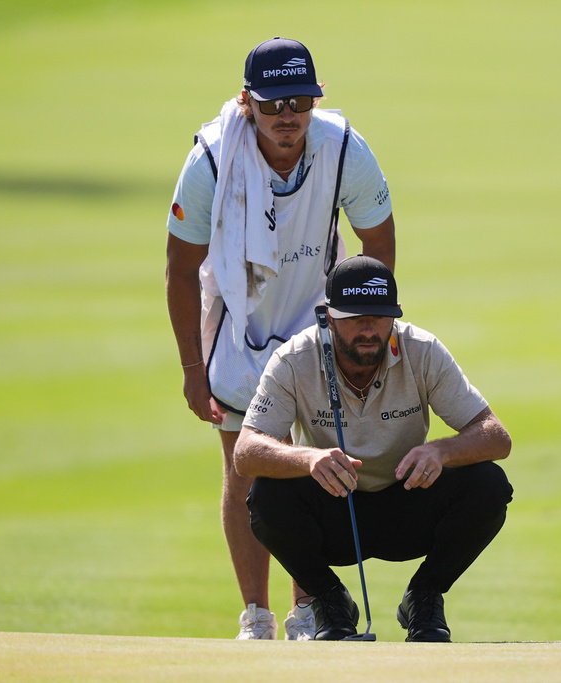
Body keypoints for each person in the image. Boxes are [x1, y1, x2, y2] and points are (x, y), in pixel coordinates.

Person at [165, 37, 396, 640]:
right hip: (239, 323)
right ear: (247, 103)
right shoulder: (212, 158)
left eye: (300, 100)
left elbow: (379, 243)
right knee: (244, 469)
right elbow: (180, 265)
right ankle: (256, 615)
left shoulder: (342, 148)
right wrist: (192, 370)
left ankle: (308, 611)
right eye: (273, 104)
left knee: (314, 466)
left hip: (318, 316)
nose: (287, 115)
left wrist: (368, 328)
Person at [233, 255, 513, 642]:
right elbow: (245, 451)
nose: (368, 329)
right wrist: (308, 458)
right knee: (265, 496)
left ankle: (424, 596)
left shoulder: (422, 350)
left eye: (379, 317)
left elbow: (496, 437)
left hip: (408, 504)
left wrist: (441, 452)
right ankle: (329, 600)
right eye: (353, 317)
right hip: (333, 511)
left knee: (489, 484)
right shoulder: (295, 359)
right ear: (328, 317)